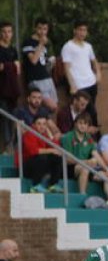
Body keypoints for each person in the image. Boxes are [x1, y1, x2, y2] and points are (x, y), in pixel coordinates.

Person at [60, 114, 108, 206]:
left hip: (86, 167)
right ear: (75, 124)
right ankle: (82, 197)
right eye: (80, 123)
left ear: (88, 126)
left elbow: (96, 155)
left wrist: (107, 170)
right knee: (85, 168)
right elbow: (68, 160)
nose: (83, 126)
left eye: (85, 124)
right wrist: (86, 162)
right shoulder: (68, 137)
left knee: (107, 176)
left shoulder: (88, 138)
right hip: (69, 168)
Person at [61, 22, 100, 117]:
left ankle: (92, 131)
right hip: (78, 85)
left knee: (92, 110)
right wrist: (72, 85)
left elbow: (94, 61)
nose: (82, 33)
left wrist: (98, 73)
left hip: (91, 82)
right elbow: (66, 67)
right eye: (80, 30)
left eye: (85, 30)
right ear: (75, 31)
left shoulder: (88, 46)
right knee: (80, 111)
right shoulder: (68, 46)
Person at [20, 115, 63, 193]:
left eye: (44, 124)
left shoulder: (44, 135)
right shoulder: (29, 133)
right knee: (42, 157)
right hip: (26, 167)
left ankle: (53, 185)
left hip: (39, 165)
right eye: (39, 124)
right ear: (34, 125)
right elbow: (33, 151)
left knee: (56, 157)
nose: (42, 126)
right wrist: (51, 150)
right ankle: (35, 186)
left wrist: (50, 135)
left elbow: (56, 148)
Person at [21, 19, 57, 111]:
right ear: (35, 28)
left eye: (45, 29)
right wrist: (41, 44)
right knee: (52, 106)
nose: (42, 31)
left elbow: (45, 61)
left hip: (47, 77)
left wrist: (51, 61)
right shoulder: (28, 42)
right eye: (40, 28)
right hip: (36, 79)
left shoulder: (47, 43)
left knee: (52, 107)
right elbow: (33, 60)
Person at [0, 21, 20, 151]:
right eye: (4, 32)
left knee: (12, 118)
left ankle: (13, 144)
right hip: (1, 90)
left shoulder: (13, 50)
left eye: (9, 32)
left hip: (12, 90)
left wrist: (7, 66)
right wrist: (11, 66)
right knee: (4, 118)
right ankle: (8, 146)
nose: (7, 34)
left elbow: (18, 69)